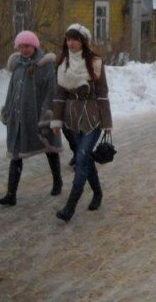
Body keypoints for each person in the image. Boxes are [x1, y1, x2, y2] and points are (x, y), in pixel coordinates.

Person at [51, 24, 113, 222]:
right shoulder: (62, 64)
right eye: (69, 38)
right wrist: (56, 121)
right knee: (84, 159)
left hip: (92, 118)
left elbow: (102, 93)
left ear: (83, 41)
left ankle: (70, 207)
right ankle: (97, 192)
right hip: (70, 121)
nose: (71, 43)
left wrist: (107, 122)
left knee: (81, 159)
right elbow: (59, 96)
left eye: (75, 39)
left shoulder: (94, 62)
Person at [0, 30, 62, 206]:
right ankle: (11, 195)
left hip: (37, 116)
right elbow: (12, 91)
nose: (24, 49)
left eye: (27, 46)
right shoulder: (17, 65)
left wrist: (46, 117)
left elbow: (50, 92)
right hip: (19, 118)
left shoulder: (45, 65)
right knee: (16, 153)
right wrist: (8, 110)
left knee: (50, 147)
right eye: (21, 46)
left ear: (34, 46)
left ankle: (58, 181)